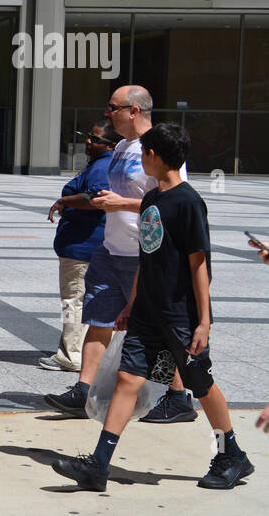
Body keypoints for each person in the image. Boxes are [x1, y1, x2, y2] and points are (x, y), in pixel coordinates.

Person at [51, 124, 254, 492]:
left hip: (181, 315)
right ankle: (98, 466)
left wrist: (203, 322)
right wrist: (131, 303)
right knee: (128, 379)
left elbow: (199, 264)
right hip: (146, 312)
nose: (140, 158)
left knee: (200, 383)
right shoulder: (151, 200)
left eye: (143, 152)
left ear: (155, 156)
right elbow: (146, 257)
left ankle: (232, 454)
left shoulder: (188, 202)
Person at [45, 85, 193, 422]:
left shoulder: (162, 148)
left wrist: (120, 203)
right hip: (111, 250)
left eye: (113, 107)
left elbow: (174, 205)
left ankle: (178, 396)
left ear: (134, 111)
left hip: (146, 257)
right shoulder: (125, 146)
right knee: (98, 321)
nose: (106, 113)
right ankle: (83, 390)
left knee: (160, 327)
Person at [39, 124, 119, 372]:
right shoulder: (103, 164)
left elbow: (95, 198)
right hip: (87, 246)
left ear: (111, 145)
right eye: (87, 136)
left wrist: (63, 200)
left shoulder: (102, 166)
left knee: (72, 301)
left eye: (94, 138)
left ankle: (71, 355)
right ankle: (85, 352)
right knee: (85, 302)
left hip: (83, 247)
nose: (88, 142)